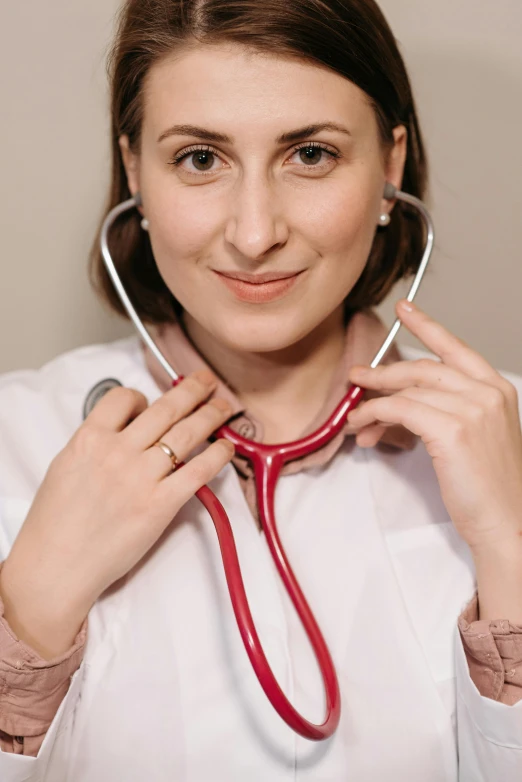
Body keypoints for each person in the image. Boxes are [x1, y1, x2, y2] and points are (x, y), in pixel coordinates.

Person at [0, 0, 521, 779]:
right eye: (200, 160)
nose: (254, 233)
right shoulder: (15, 436)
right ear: (136, 170)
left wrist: (512, 549)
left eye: (310, 154)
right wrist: (31, 607)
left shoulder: (509, 437)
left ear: (390, 168)